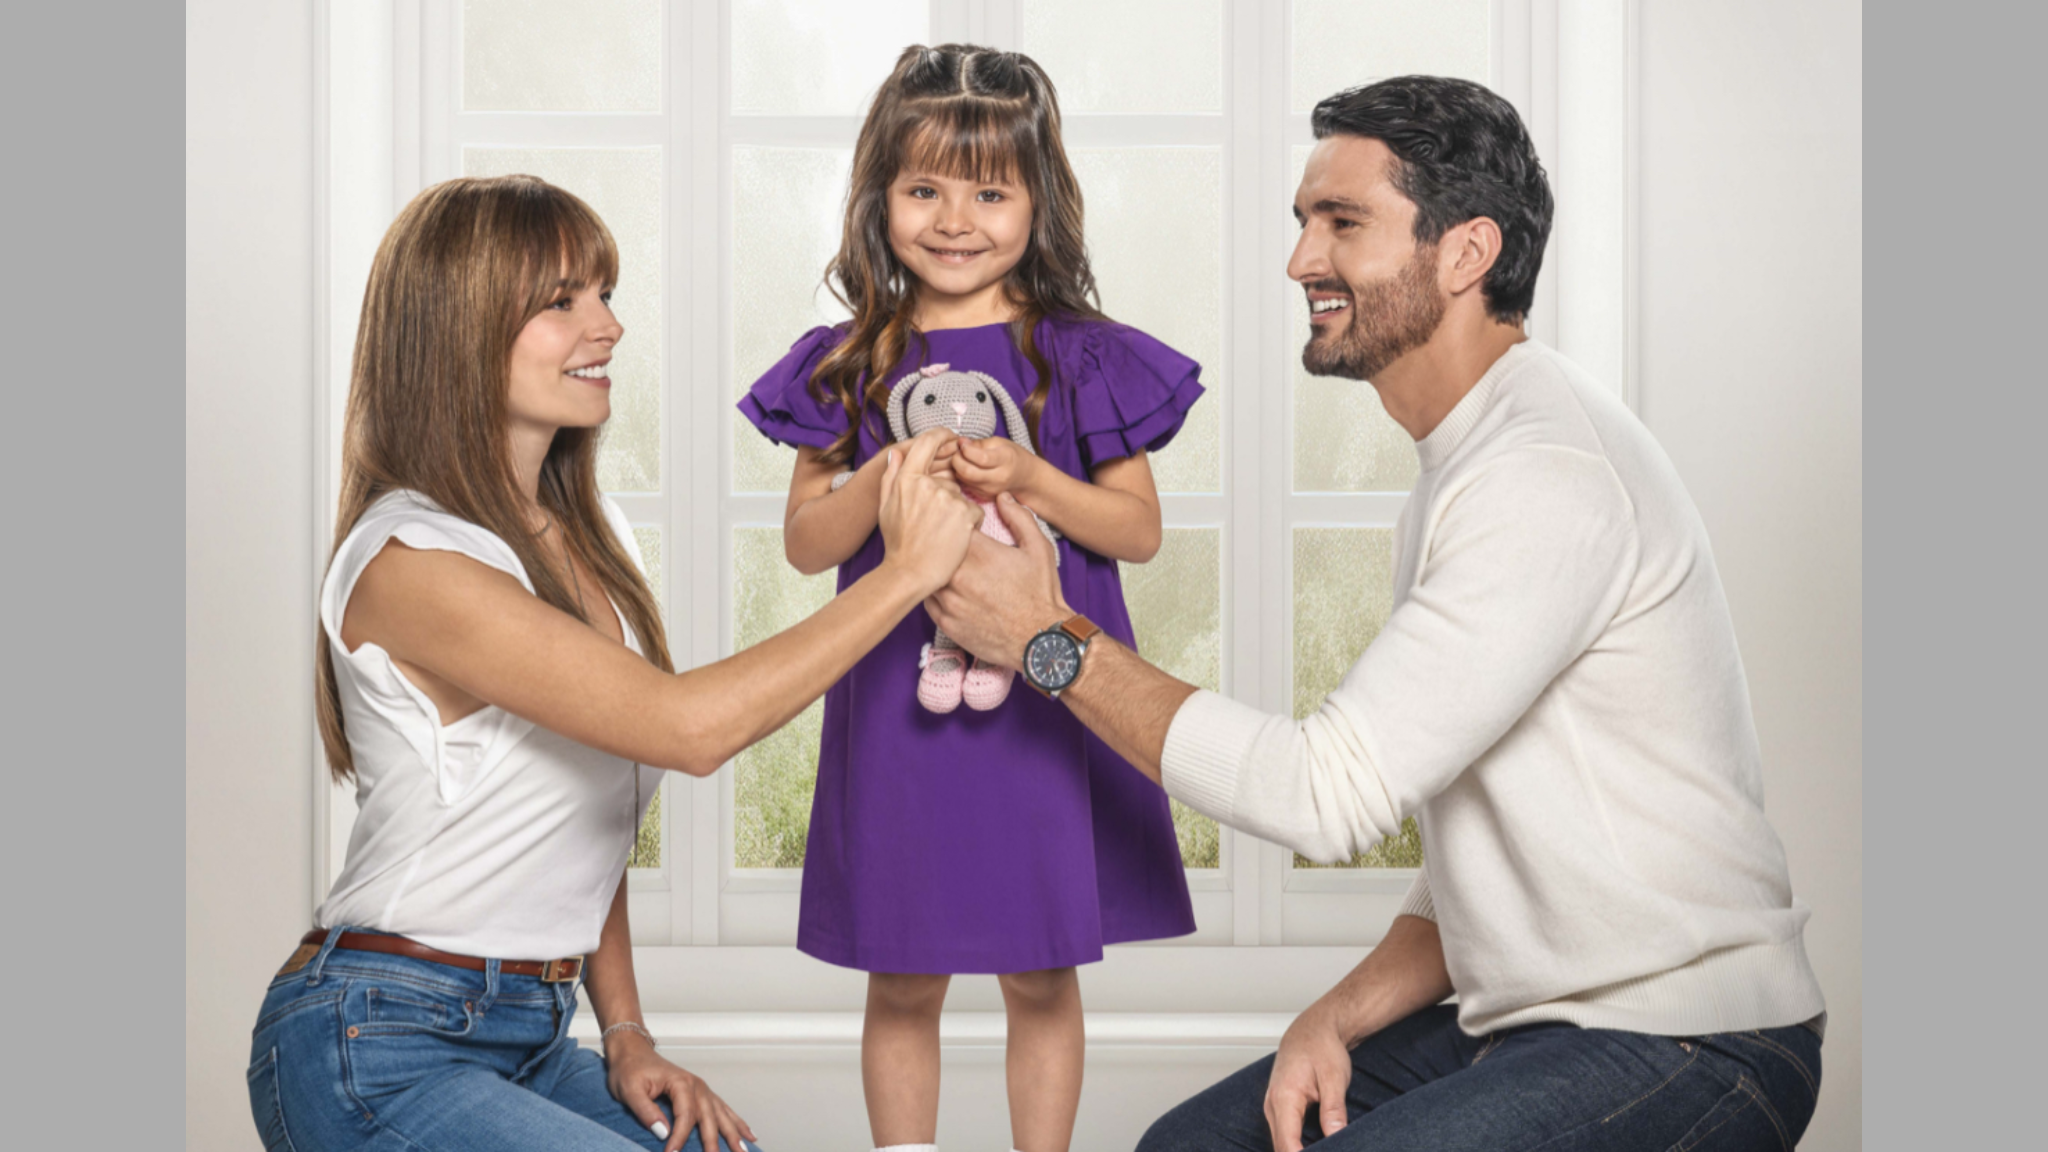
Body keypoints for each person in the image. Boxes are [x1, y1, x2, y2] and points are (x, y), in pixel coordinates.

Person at [929, 76, 1828, 1152]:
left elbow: (1325, 793)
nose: (1299, 260)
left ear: (1466, 253)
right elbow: (1491, 852)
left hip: (1693, 1039)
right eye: (1304, 221)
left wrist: (1047, 638)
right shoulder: (1466, 463)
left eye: (1342, 223)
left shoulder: (1543, 474)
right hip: (1538, 1025)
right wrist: (1341, 1014)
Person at [247, 174, 982, 1152]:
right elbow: (687, 730)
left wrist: (626, 1033)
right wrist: (905, 575)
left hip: (532, 1031)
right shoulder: (411, 559)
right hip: (375, 1034)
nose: (608, 326)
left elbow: (585, 810)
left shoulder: (592, 540)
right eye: (562, 302)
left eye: (604, 293)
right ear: (457, 329)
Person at [735, 44, 1202, 1152]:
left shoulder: (1081, 357)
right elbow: (806, 542)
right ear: (879, 198)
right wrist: (882, 481)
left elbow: (1134, 530)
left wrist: (1032, 477)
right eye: (924, 189)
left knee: (1040, 971)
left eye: (990, 193)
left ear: (1039, 203)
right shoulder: (846, 361)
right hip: (900, 711)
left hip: (1046, 702)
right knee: (902, 975)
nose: (955, 221)